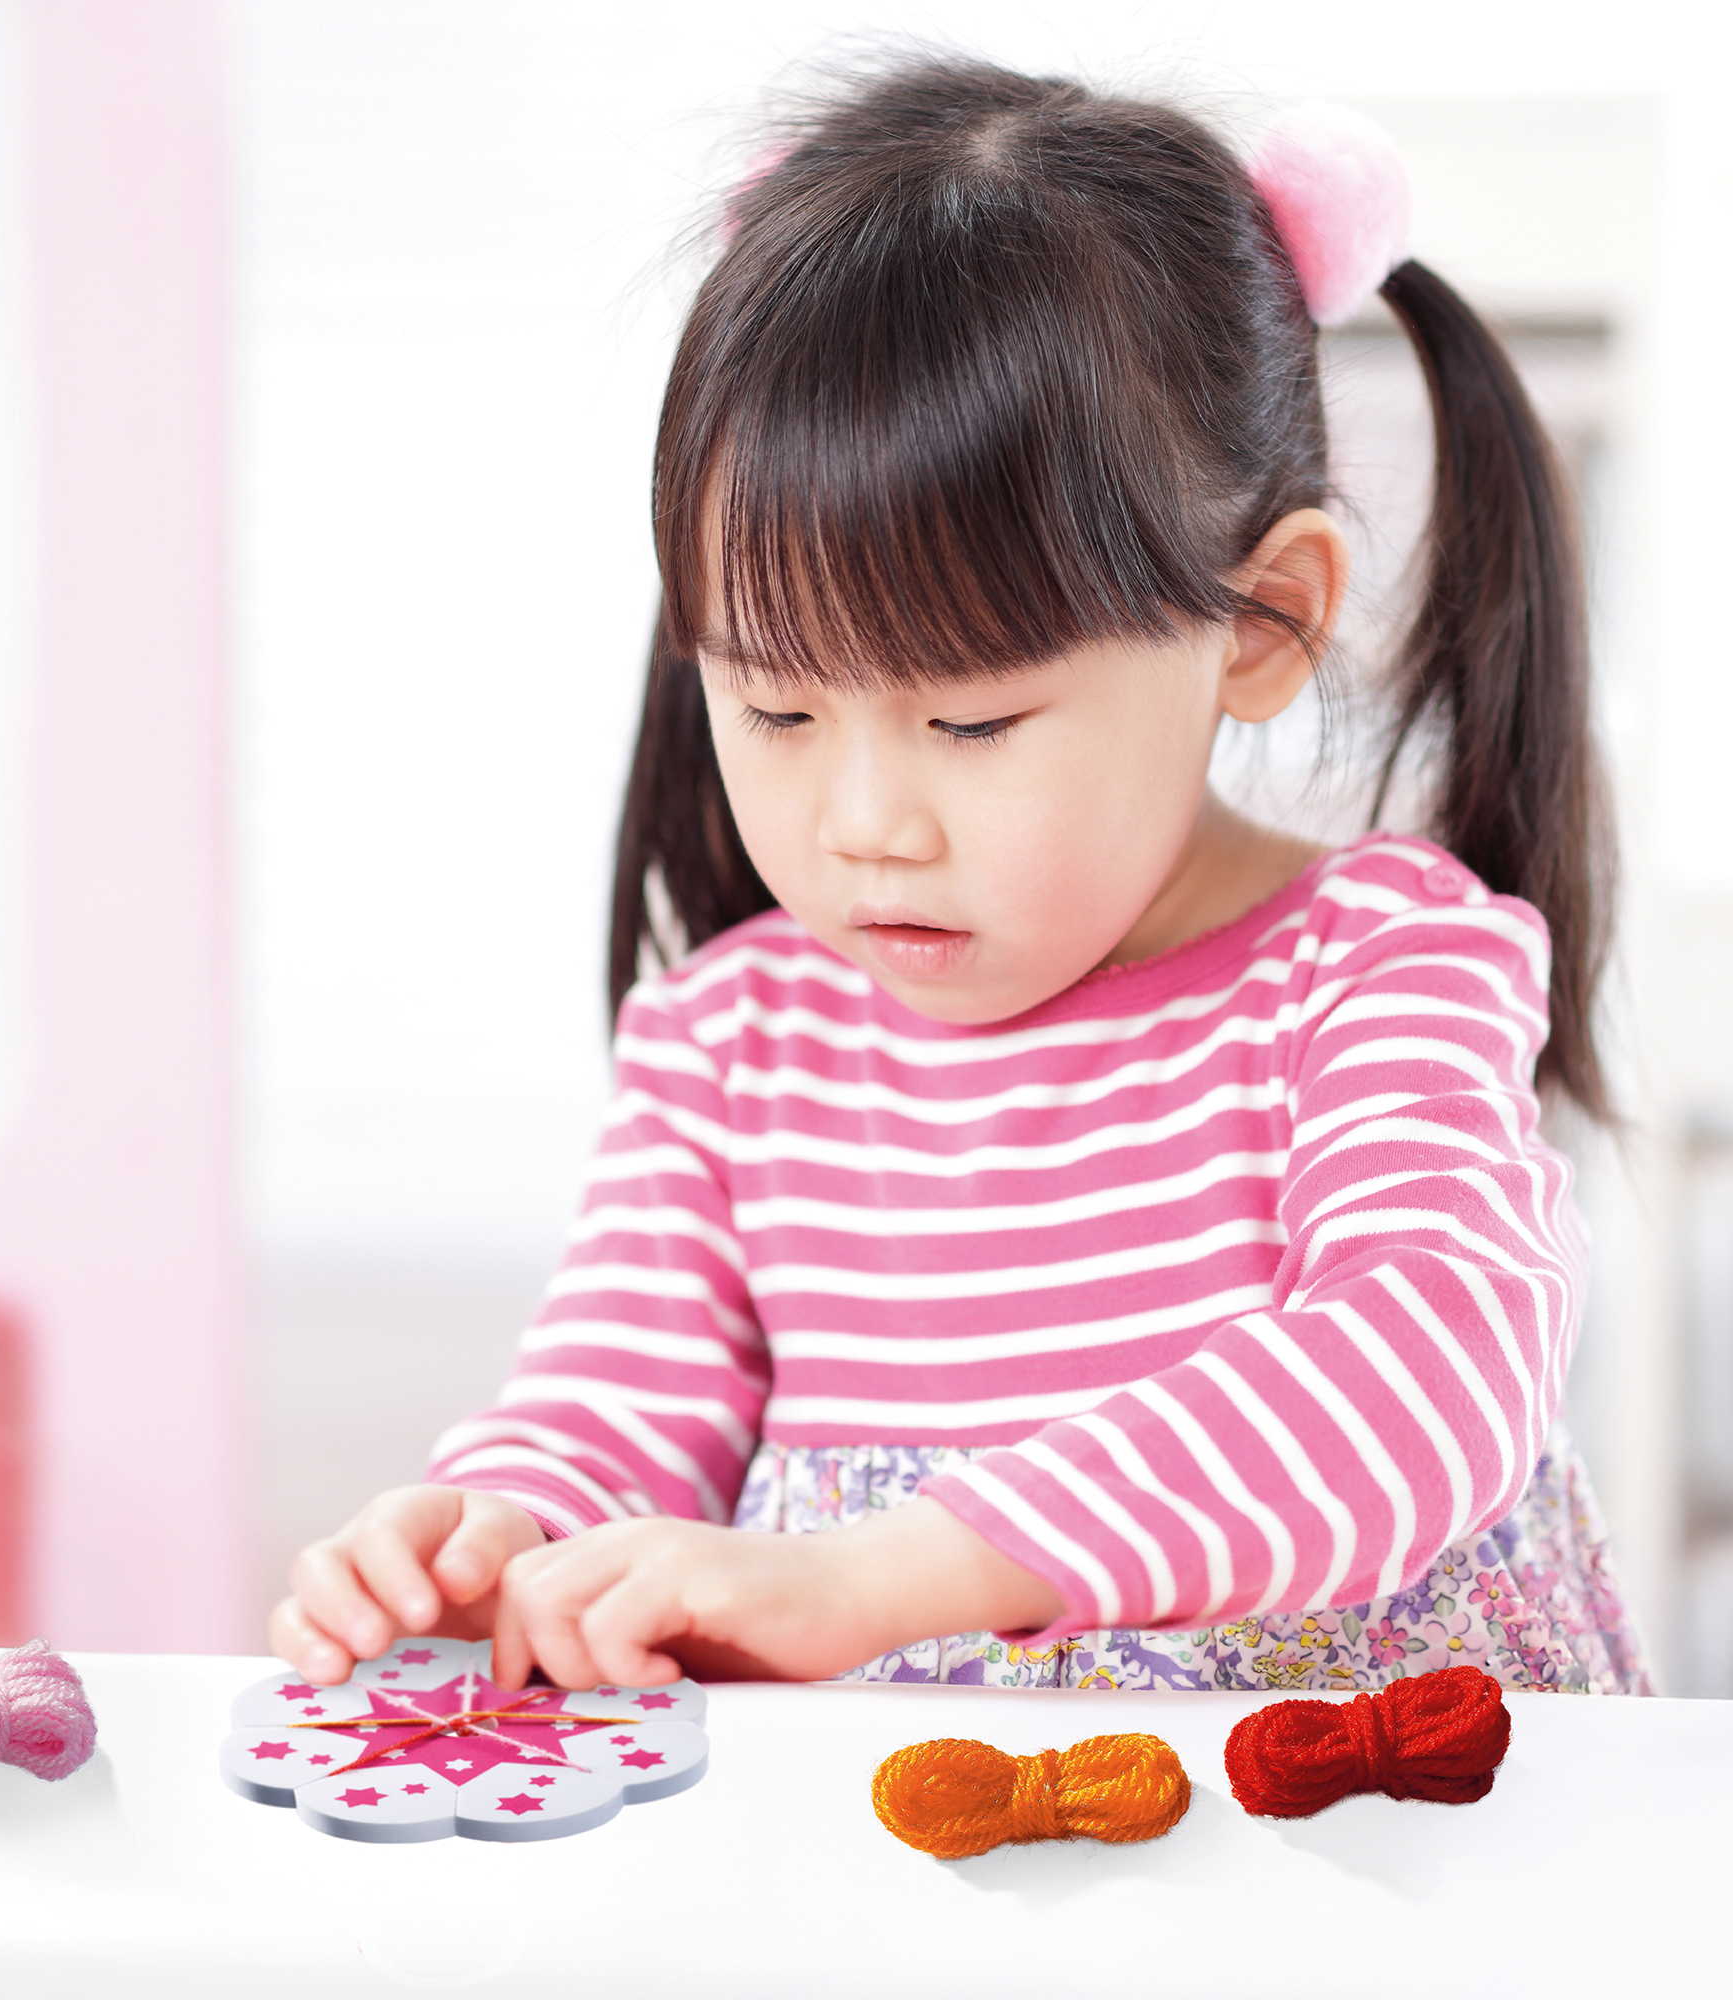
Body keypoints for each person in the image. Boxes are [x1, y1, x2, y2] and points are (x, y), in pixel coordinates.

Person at [272, 45, 1654, 1698]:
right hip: (901, 1845)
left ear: (1262, 622)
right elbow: (618, 1416)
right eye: (778, 707)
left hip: (1341, 1832)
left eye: (972, 721)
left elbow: (1428, 1362)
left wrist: (887, 1574)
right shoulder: (730, 1050)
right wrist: (498, 1532)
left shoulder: (1376, 974)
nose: (869, 822)